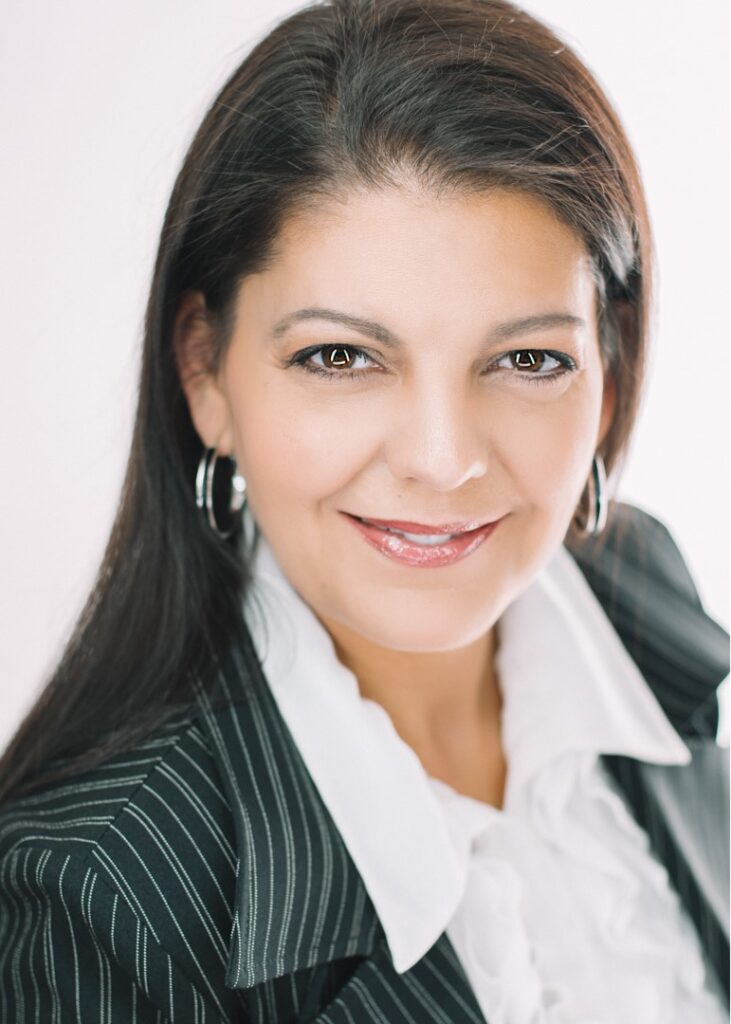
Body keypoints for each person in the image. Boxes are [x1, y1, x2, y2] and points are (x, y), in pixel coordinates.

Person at [0, 0, 728, 1019]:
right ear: (204, 372)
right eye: (339, 357)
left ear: (604, 368)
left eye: (526, 358)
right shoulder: (94, 900)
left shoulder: (635, 586)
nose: (442, 460)